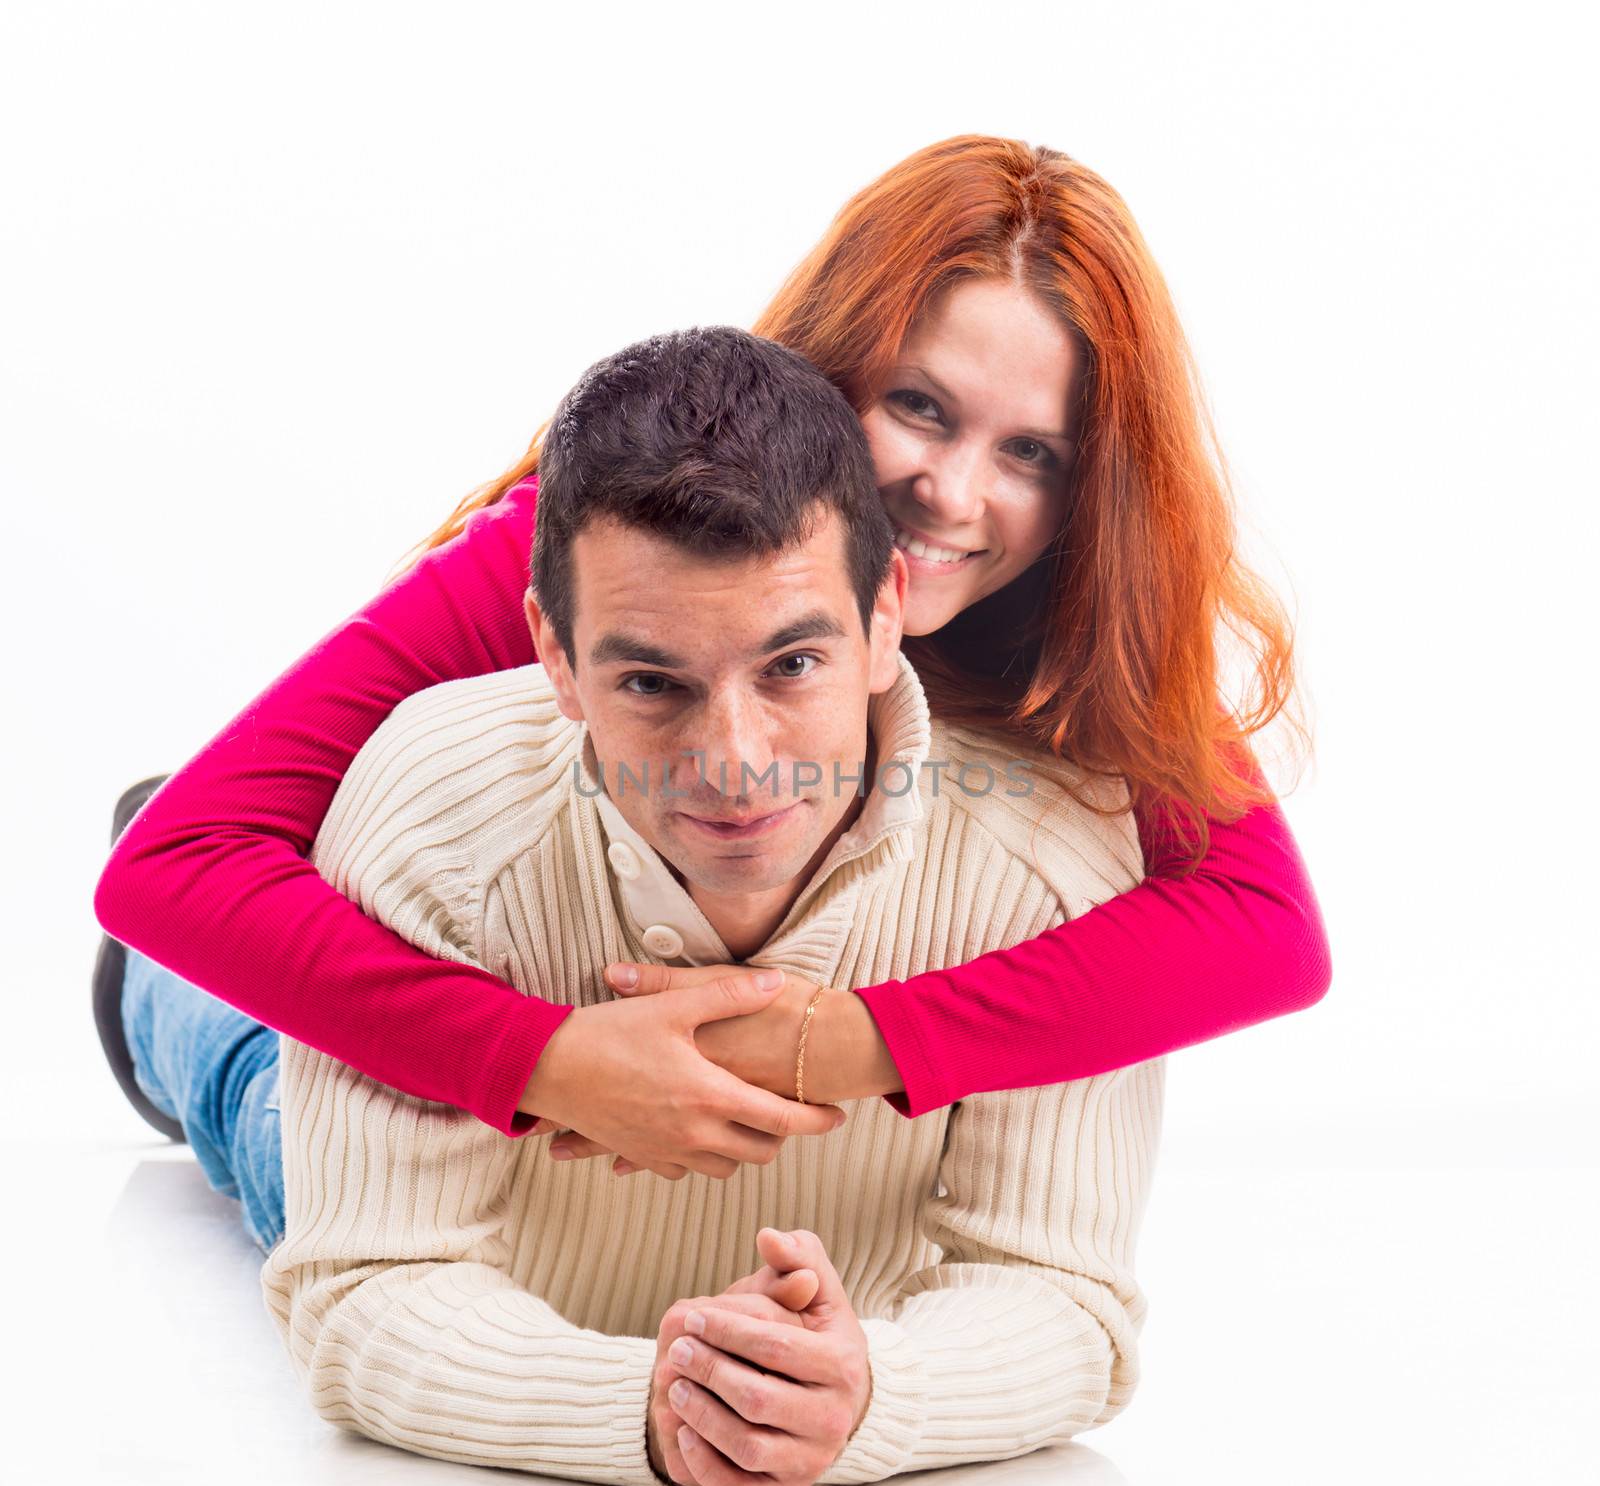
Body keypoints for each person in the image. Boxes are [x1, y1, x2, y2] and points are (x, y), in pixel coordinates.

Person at [93, 133, 1329, 1204]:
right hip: (485, 959)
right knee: (308, 1164)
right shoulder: (608, 554)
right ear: (834, 368)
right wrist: (545, 1063)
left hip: (779, 1109)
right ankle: (164, 1009)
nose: (952, 496)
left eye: (1032, 453)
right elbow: (182, 865)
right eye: (920, 407)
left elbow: (1262, 928)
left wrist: (846, 1045)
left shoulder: (1081, 607)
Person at [259, 324, 1164, 1486]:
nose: (735, 769)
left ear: (888, 607)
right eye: (650, 684)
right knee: (242, 1096)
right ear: (552, 650)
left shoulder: (1047, 862)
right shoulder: (430, 811)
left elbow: (1065, 1299)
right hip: (372, 1111)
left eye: (791, 666)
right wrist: (649, 1408)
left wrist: (863, 1396)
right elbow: (365, 1286)